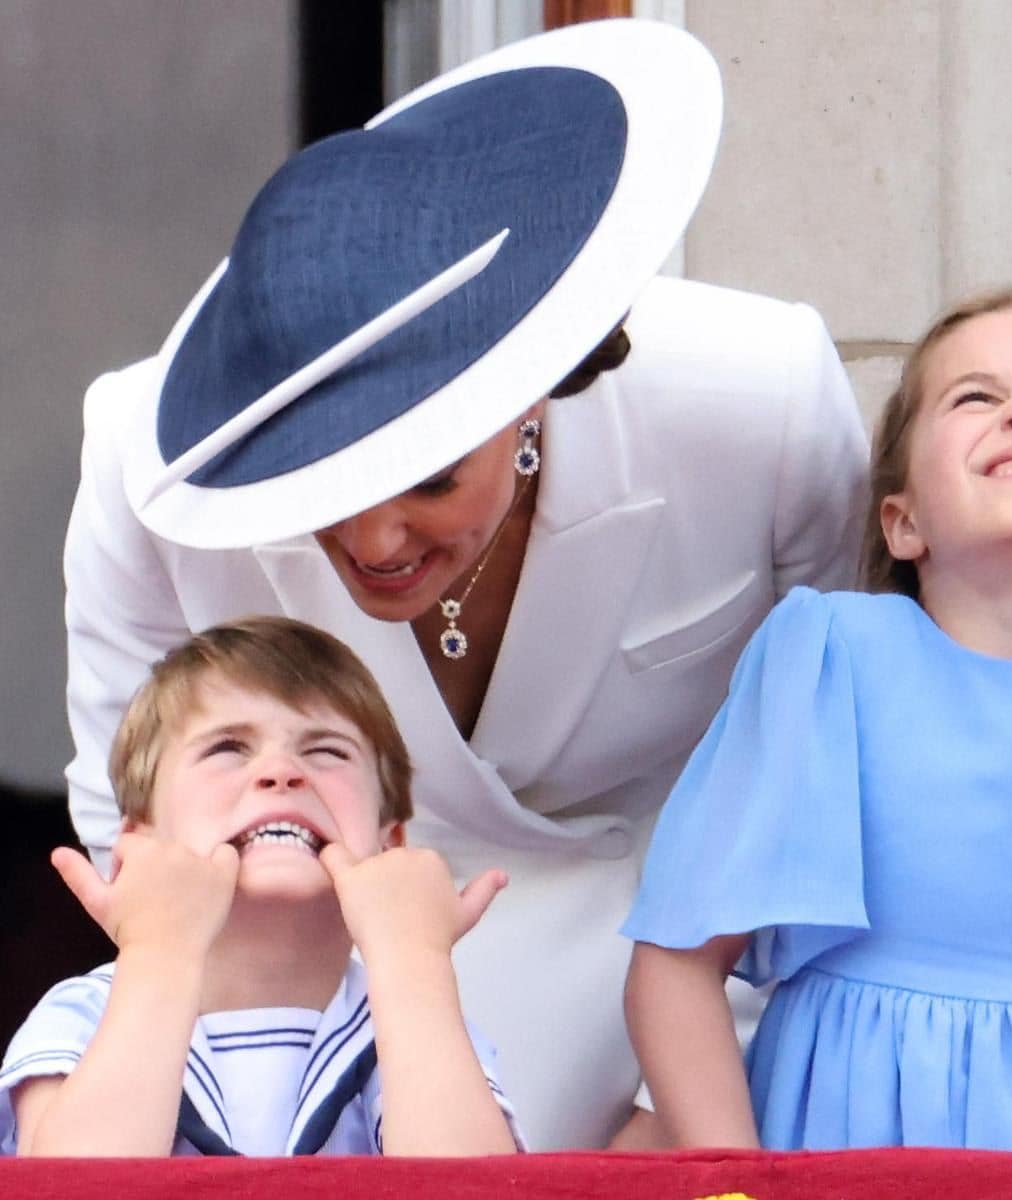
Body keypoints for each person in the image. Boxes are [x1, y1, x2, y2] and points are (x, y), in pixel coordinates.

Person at [61, 20, 868, 1148]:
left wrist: (692, 1099)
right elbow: (132, 810)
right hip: (331, 1006)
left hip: (682, 977)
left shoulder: (761, 403)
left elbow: (821, 784)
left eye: (429, 477)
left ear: (535, 392)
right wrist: (251, 1092)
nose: (376, 533)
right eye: (324, 485)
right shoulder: (140, 459)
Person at [623, 289, 1012, 1151]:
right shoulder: (826, 660)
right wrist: (733, 1182)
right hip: (846, 1143)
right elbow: (676, 964)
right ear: (904, 522)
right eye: (976, 397)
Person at [0, 616, 520, 1156]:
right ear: (140, 844)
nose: (281, 771)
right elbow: (74, 1186)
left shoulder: (409, 1013)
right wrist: (159, 951)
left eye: (327, 751)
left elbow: (471, 1185)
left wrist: (411, 956)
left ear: (389, 847)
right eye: (227, 748)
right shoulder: (82, 1017)